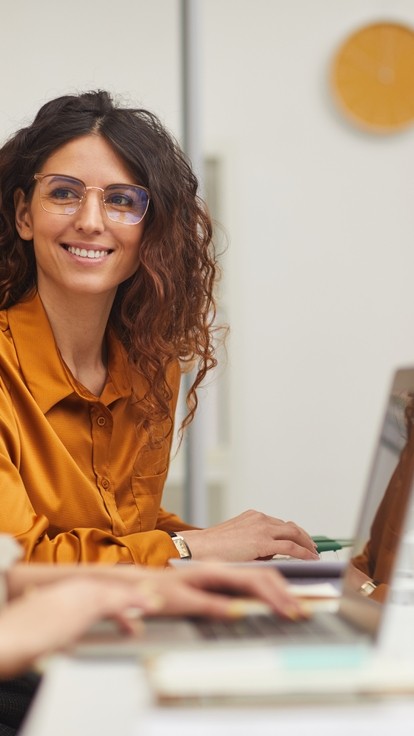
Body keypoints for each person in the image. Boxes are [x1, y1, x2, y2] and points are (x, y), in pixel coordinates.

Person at [0, 89, 318, 566]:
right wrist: (193, 548)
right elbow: (18, 561)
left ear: (151, 230)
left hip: (121, 628)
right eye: (64, 193)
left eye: (122, 200)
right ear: (25, 214)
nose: (90, 221)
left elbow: (128, 528)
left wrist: (251, 553)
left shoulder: (149, 365)